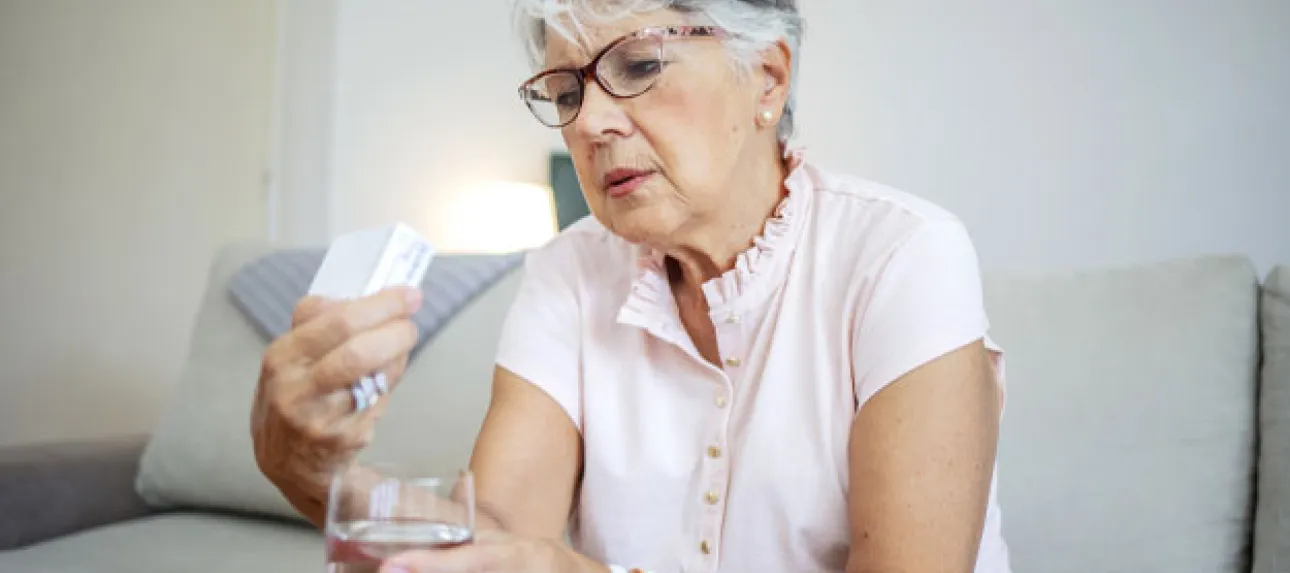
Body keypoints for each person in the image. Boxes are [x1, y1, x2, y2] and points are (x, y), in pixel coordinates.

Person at [251, 0, 1012, 571]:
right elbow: (496, 548)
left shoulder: (903, 256)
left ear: (768, 80)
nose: (589, 125)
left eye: (639, 66)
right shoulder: (568, 273)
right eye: (567, 90)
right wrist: (312, 471)